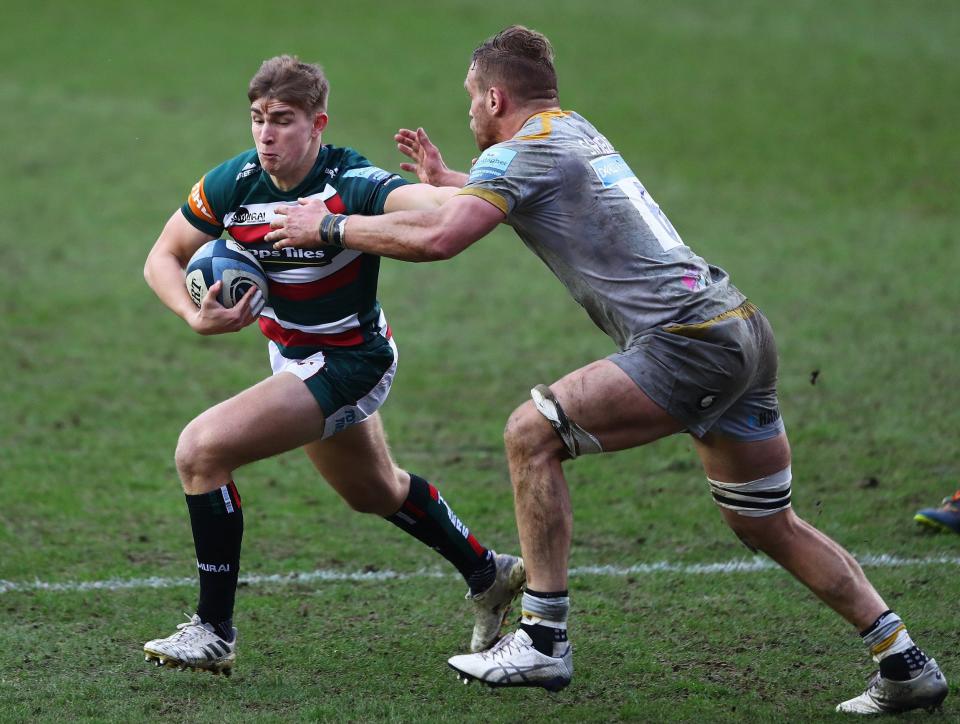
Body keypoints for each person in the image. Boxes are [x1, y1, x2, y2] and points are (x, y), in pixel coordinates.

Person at [264, 27, 948, 715]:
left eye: (471, 98)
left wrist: (330, 228)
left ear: (495, 97)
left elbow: (442, 238)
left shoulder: (518, 151)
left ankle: (542, 637)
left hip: (685, 342)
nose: (469, 111)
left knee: (531, 434)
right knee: (768, 521)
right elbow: (519, 195)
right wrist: (450, 180)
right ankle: (903, 660)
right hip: (737, 326)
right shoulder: (570, 130)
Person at [141, 54, 525, 676]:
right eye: (258, 119)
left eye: (284, 120)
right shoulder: (234, 182)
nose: (266, 135)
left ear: (317, 124)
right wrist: (192, 316)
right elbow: (163, 254)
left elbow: (433, 213)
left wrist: (443, 182)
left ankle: (213, 631)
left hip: (349, 358)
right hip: (293, 356)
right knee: (374, 491)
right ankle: (489, 572)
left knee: (200, 451)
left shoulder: (352, 180)